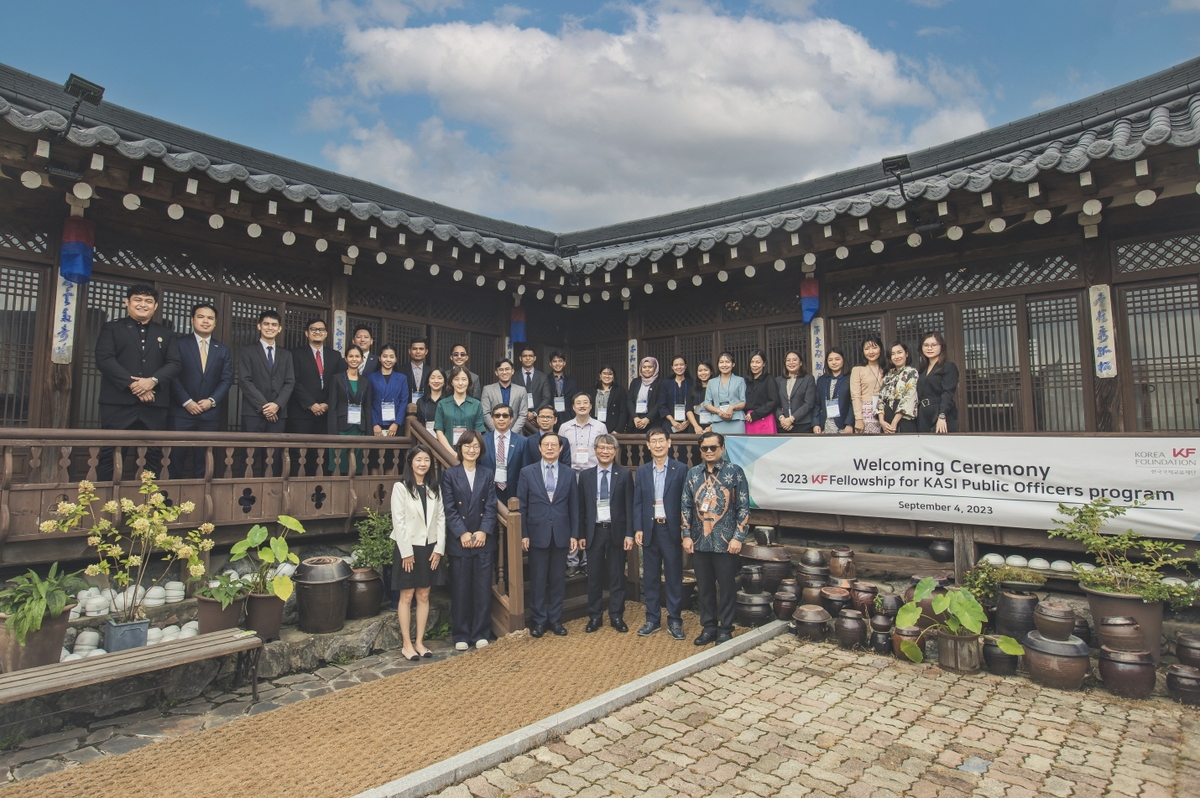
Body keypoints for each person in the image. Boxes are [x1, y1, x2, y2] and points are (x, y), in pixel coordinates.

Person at [94, 283, 182, 482]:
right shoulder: (112, 328)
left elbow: (175, 363)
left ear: (156, 306)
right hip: (118, 402)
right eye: (138, 300)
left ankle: (149, 503)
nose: (143, 305)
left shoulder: (165, 333)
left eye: (148, 301)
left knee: (153, 453)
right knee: (111, 451)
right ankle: (106, 504)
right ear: (127, 302)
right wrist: (133, 384)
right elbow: (104, 359)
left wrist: (152, 381)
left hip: (154, 403)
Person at [682, 431, 750, 646]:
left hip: (726, 542)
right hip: (700, 541)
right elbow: (685, 505)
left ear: (722, 448)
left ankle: (726, 628)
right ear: (700, 450)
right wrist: (686, 535)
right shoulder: (693, 474)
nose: (709, 451)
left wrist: (738, 537)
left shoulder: (735, 472)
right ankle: (709, 627)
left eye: (714, 447)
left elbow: (743, 506)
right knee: (704, 587)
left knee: (727, 586)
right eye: (705, 448)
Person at [517, 433, 579, 637]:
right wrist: (523, 534)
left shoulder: (569, 473)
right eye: (546, 445)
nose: (550, 448)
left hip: (561, 533)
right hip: (536, 533)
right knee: (538, 579)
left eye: (554, 445)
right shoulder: (527, 472)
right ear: (540, 448)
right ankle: (538, 621)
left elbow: (574, 507)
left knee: (557, 579)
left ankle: (555, 619)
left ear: (561, 449)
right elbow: (522, 506)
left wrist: (574, 535)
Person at [441, 431, 498, 651]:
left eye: (475, 446)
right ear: (460, 448)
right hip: (460, 541)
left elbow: (491, 506)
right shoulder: (449, 474)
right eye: (467, 446)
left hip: (484, 540)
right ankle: (461, 634)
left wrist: (483, 531)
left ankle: (481, 632)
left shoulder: (487, 473)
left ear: (481, 449)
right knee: (461, 589)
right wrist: (462, 533)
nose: (471, 450)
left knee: (482, 589)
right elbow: (449, 507)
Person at [390, 445, 445, 661]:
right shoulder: (400, 488)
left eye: (426, 460)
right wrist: (406, 553)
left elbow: (441, 519)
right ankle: (406, 644)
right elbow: (399, 521)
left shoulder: (434, 488)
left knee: (424, 594)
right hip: (408, 547)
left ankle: (420, 642)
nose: (423, 464)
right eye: (419, 460)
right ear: (410, 462)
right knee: (407, 595)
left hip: (430, 547)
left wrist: (439, 549)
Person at [632, 427, 688, 640]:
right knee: (650, 577)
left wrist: (685, 529)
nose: (657, 445)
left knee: (674, 576)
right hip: (650, 529)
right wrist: (638, 528)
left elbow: (686, 502)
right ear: (648, 445)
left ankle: (675, 620)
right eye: (653, 441)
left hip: (671, 529)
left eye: (661, 441)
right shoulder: (643, 470)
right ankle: (652, 619)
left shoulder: (680, 469)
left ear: (669, 443)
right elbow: (638, 502)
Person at [577, 433, 634, 633]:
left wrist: (629, 534)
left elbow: (629, 506)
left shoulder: (624, 475)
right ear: (595, 451)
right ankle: (594, 616)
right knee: (593, 576)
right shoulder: (585, 476)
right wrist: (581, 534)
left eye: (609, 448)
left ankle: (616, 616)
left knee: (617, 575)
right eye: (601, 447)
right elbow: (581, 508)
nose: (605, 451)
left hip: (616, 531)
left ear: (615, 451)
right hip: (593, 531)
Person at [168, 303, 232, 478]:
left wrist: (211, 401)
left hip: (209, 415)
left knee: (204, 460)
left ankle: (202, 500)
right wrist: (187, 402)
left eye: (210, 318)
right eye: (201, 317)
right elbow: (172, 375)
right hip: (181, 413)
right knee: (175, 458)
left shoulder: (223, 349)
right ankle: (170, 500)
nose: (206, 321)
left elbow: (227, 379)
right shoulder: (179, 344)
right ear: (192, 320)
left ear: (215, 323)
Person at [238, 310, 294, 477]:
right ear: (259, 326)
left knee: (273, 458)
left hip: (278, 414)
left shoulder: (286, 354)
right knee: (249, 457)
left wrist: (277, 405)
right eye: (267, 324)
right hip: (253, 414)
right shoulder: (247, 351)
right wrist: (264, 406)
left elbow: (290, 382)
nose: (270, 327)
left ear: (280, 329)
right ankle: (245, 500)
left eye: (274, 325)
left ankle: (272, 499)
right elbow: (244, 381)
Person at [289, 317, 346, 475]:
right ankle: (297, 491)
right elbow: (293, 381)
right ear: (306, 333)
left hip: (326, 414)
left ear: (326, 333)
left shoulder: (335, 356)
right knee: (299, 454)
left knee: (321, 454)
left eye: (321, 330)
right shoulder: (296, 354)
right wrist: (310, 404)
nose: (317, 332)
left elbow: (341, 383)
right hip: (302, 412)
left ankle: (318, 492)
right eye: (314, 329)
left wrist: (327, 403)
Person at [559, 392, 607, 577]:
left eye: (585, 402)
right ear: (573, 406)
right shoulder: (564, 427)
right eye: (578, 403)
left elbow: (606, 449)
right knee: (571, 514)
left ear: (591, 406)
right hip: (570, 475)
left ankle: (587, 560)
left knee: (590, 515)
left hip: (592, 475)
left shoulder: (600, 426)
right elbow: (561, 452)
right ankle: (572, 561)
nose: (582, 405)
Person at [327, 344, 373, 475]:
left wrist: (369, 432)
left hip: (359, 428)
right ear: (345, 359)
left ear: (362, 359)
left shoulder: (365, 381)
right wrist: (332, 432)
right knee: (339, 466)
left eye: (357, 356)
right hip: (341, 427)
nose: (354, 359)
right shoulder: (336, 378)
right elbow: (332, 406)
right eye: (351, 356)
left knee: (357, 467)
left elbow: (367, 407)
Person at [481, 403, 530, 505]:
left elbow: (525, 470)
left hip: (514, 493)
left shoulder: (522, 441)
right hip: (487, 491)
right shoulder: (482, 440)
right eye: (497, 416)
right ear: (492, 419)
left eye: (505, 416)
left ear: (511, 419)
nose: (501, 419)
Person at [917, 332, 959, 433]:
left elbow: (948, 393)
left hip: (940, 411)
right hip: (923, 412)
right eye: (926, 345)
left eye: (934, 345)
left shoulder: (948, 367)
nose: (929, 348)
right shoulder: (922, 370)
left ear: (941, 347)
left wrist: (942, 415)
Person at [435, 366, 486, 449]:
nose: (460, 383)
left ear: (469, 381)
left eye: (464, 379)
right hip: (446, 454)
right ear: (451, 382)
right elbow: (439, 431)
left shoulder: (476, 405)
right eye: (456, 379)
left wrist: (467, 451)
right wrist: (452, 454)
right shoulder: (442, 404)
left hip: (470, 452)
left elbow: (478, 432)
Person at [367, 344, 411, 440]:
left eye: (391, 357)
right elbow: (368, 403)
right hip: (376, 424)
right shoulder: (371, 377)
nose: (388, 360)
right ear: (379, 358)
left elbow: (404, 402)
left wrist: (396, 423)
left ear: (395, 359)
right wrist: (374, 424)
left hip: (396, 424)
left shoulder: (402, 378)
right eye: (385, 356)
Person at [880, 342, 919, 434]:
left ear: (906, 354)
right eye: (893, 354)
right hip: (887, 420)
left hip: (903, 419)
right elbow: (881, 399)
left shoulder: (911, 372)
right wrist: (882, 421)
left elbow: (908, 398)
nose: (896, 357)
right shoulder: (888, 375)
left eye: (899, 352)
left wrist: (894, 422)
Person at [812, 348, 853, 435]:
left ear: (843, 360)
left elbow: (853, 403)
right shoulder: (821, 380)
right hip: (825, 424)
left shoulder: (850, 378)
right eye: (830, 360)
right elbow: (817, 404)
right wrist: (816, 423)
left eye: (837, 359)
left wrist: (849, 423)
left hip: (844, 425)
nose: (834, 362)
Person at [850, 336, 886, 435]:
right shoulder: (858, 369)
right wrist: (859, 419)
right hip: (866, 413)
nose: (871, 352)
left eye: (874, 347)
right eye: (867, 349)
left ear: (881, 349)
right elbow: (855, 395)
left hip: (885, 412)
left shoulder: (888, 368)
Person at [704, 352, 746, 435]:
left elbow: (743, 402)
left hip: (736, 419)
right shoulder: (711, 382)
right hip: (718, 420)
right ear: (718, 364)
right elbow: (707, 403)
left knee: (737, 446)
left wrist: (732, 407)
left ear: (733, 364)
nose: (724, 365)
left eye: (727, 362)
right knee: (718, 446)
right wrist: (718, 411)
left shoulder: (740, 380)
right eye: (721, 362)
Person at [482, 358, 529, 432]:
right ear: (496, 372)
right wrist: (496, 432)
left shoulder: (521, 390)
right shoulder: (487, 390)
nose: (504, 372)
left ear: (512, 371)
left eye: (507, 369)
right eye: (501, 370)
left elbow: (523, 415)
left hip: (515, 434)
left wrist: (512, 433)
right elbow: (485, 413)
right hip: (492, 434)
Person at [775, 351, 815, 434]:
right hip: (783, 425)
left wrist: (791, 419)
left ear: (800, 363)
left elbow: (809, 403)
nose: (791, 363)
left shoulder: (808, 379)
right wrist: (782, 419)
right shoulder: (778, 380)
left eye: (794, 360)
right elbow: (775, 403)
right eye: (788, 360)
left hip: (803, 425)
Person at [743, 349, 779, 434]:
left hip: (764, 418)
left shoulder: (769, 379)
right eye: (752, 362)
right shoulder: (746, 381)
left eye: (758, 362)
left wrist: (756, 414)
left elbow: (773, 401)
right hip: (749, 419)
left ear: (764, 364)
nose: (754, 365)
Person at [629, 356, 666, 433]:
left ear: (655, 368)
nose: (647, 369)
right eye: (644, 367)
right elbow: (629, 401)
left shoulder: (661, 382)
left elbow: (660, 402)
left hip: (653, 422)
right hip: (636, 422)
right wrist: (635, 417)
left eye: (650, 367)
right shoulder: (635, 382)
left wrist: (647, 419)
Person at [517, 346, 552, 426]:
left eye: (530, 356)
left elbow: (546, 398)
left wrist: (534, 413)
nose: (528, 358)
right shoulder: (514, 376)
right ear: (520, 358)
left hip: (538, 420)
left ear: (535, 358)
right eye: (525, 356)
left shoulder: (543, 377)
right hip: (518, 419)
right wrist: (524, 414)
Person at [592, 365, 628, 434]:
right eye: (604, 373)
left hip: (612, 428)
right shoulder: (592, 391)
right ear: (600, 375)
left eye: (610, 374)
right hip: (595, 426)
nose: (607, 376)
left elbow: (624, 412)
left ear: (614, 376)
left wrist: (618, 430)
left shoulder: (619, 391)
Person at [547, 352, 578, 429]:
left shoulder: (572, 382)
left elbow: (575, 400)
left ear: (564, 363)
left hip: (567, 417)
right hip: (550, 417)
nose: (557, 364)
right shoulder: (545, 380)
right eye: (554, 361)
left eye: (560, 361)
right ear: (550, 364)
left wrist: (573, 417)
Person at [662, 356, 692, 435]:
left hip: (689, 423)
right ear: (672, 367)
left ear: (685, 366)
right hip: (670, 422)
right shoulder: (666, 384)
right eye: (676, 365)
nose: (679, 367)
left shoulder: (692, 383)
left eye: (681, 364)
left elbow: (695, 404)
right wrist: (673, 421)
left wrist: (688, 421)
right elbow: (662, 405)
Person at [416, 368, 448, 434]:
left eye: (439, 378)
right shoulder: (421, 401)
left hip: (446, 439)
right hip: (426, 439)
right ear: (428, 381)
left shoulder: (449, 401)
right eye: (432, 378)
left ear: (444, 381)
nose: (436, 381)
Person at [687, 360, 714, 434]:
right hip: (695, 428)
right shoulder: (692, 389)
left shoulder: (716, 388)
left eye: (706, 370)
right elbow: (689, 410)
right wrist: (696, 426)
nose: (703, 373)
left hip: (713, 426)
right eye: (700, 371)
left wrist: (712, 426)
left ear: (711, 372)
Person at [401, 338, 431, 404]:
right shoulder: (400, 370)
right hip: (406, 409)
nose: (418, 351)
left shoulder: (431, 371)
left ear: (426, 351)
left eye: (421, 349)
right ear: (409, 351)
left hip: (425, 409)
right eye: (414, 349)